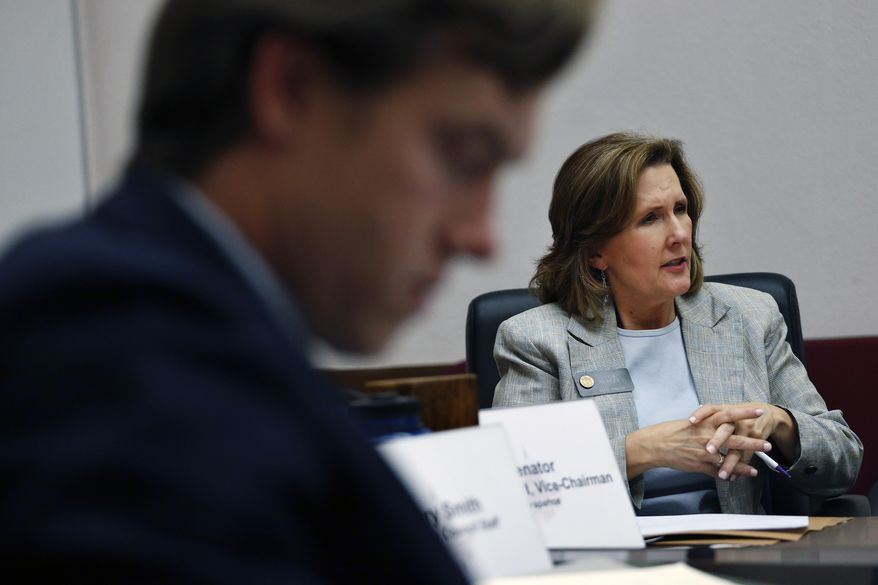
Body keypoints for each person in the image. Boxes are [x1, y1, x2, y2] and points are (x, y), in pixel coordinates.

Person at [0, 0, 593, 581]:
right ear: (292, 89)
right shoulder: (108, 342)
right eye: (462, 155)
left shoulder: (203, 340)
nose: (480, 236)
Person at [493, 132, 863, 515]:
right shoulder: (536, 340)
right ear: (595, 251)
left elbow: (843, 460)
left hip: (736, 558)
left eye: (681, 209)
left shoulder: (749, 317)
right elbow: (519, 485)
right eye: (650, 218)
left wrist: (779, 423)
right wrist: (644, 450)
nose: (680, 233)